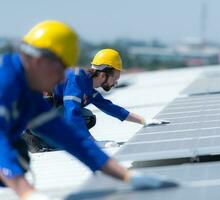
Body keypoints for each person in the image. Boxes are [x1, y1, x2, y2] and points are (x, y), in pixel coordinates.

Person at [0, 20, 177, 200]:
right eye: (60, 70)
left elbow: (69, 137)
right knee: (11, 157)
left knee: (18, 156)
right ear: (39, 62)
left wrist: (127, 176)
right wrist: (27, 193)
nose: (63, 78)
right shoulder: (4, 83)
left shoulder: (28, 92)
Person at [23, 48, 170, 152]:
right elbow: (71, 111)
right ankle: (35, 139)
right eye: (115, 78)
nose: (116, 83)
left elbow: (111, 108)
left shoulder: (88, 87)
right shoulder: (77, 78)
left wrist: (144, 120)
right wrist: (93, 143)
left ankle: (43, 137)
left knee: (88, 118)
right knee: (79, 120)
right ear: (103, 74)